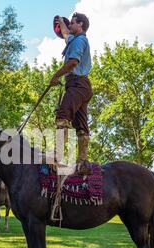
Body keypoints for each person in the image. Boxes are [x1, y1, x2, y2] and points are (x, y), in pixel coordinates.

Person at [50, 12, 93, 175]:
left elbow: (73, 62)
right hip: (82, 86)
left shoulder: (80, 40)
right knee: (81, 126)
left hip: (76, 83)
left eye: (72, 23)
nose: (69, 26)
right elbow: (66, 34)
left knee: (63, 116)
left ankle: (57, 155)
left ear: (80, 24)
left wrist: (56, 76)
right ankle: (82, 161)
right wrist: (60, 21)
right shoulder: (75, 40)